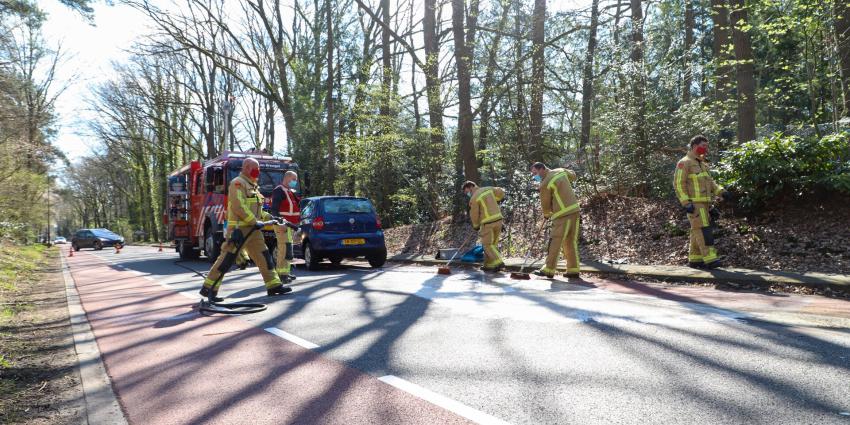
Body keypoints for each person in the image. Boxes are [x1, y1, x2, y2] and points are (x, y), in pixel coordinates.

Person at [200, 158, 291, 300]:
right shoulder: (237, 183)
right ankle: (209, 288)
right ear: (246, 167)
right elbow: (239, 206)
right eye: (256, 168)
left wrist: (270, 218)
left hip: (253, 231)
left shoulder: (254, 186)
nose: (258, 171)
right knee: (226, 260)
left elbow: (257, 211)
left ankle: (273, 285)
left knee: (264, 257)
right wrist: (255, 221)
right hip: (238, 230)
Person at [674, 135, 732, 268]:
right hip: (695, 204)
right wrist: (686, 203)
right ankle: (710, 259)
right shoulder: (684, 162)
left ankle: (695, 259)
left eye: (707, 146)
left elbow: (710, 183)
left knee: (697, 229)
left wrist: (722, 191)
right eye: (703, 146)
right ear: (695, 146)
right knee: (703, 230)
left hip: (705, 203)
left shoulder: (702, 163)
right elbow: (678, 184)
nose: (706, 149)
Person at [530, 162, 581, 279]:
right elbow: (573, 176)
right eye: (533, 174)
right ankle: (573, 270)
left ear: (542, 169)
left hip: (562, 214)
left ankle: (548, 269)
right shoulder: (560, 170)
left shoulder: (545, 183)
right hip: (575, 210)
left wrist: (547, 214)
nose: (534, 176)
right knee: (570, 241)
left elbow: (545, 202)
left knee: (555, 241)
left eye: (535, 173)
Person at [463, 181, 505, 272]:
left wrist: (476, 225)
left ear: (470, 187)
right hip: (499, 219)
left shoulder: (474, 198)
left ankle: (498, 262)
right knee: (492, 244)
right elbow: (500, 191)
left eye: (467, 192)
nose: (467, 194)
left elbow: (474, 214)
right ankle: (488, 264)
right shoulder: (488, 189)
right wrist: (498, 198)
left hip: (488, 222)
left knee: (487, 244)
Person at [270, 170, 301, 282]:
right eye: (294, 179)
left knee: (288, 250)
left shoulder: (290, 191)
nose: (295, 182)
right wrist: (280, 223)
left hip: (290, 225)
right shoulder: (279, 190)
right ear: (287, 178)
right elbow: (274, 209)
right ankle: (281, 275)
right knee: (284, 249)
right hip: (283, 225)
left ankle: (285, 273)